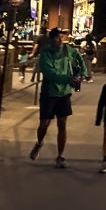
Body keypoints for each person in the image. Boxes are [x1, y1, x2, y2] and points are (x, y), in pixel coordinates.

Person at [30, 28, 87, 168]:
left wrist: (81, 75)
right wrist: (68, 79)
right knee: (44, 124)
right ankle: (39, 142)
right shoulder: (46, 54)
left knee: (62, 124)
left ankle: (60, 155)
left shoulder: (69, 50)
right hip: (49, 94)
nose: (61, 40)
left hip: (64, 93)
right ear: (52, 39)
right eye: (57, 37)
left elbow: (81, 60)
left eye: (62, 37)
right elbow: (50, 74)